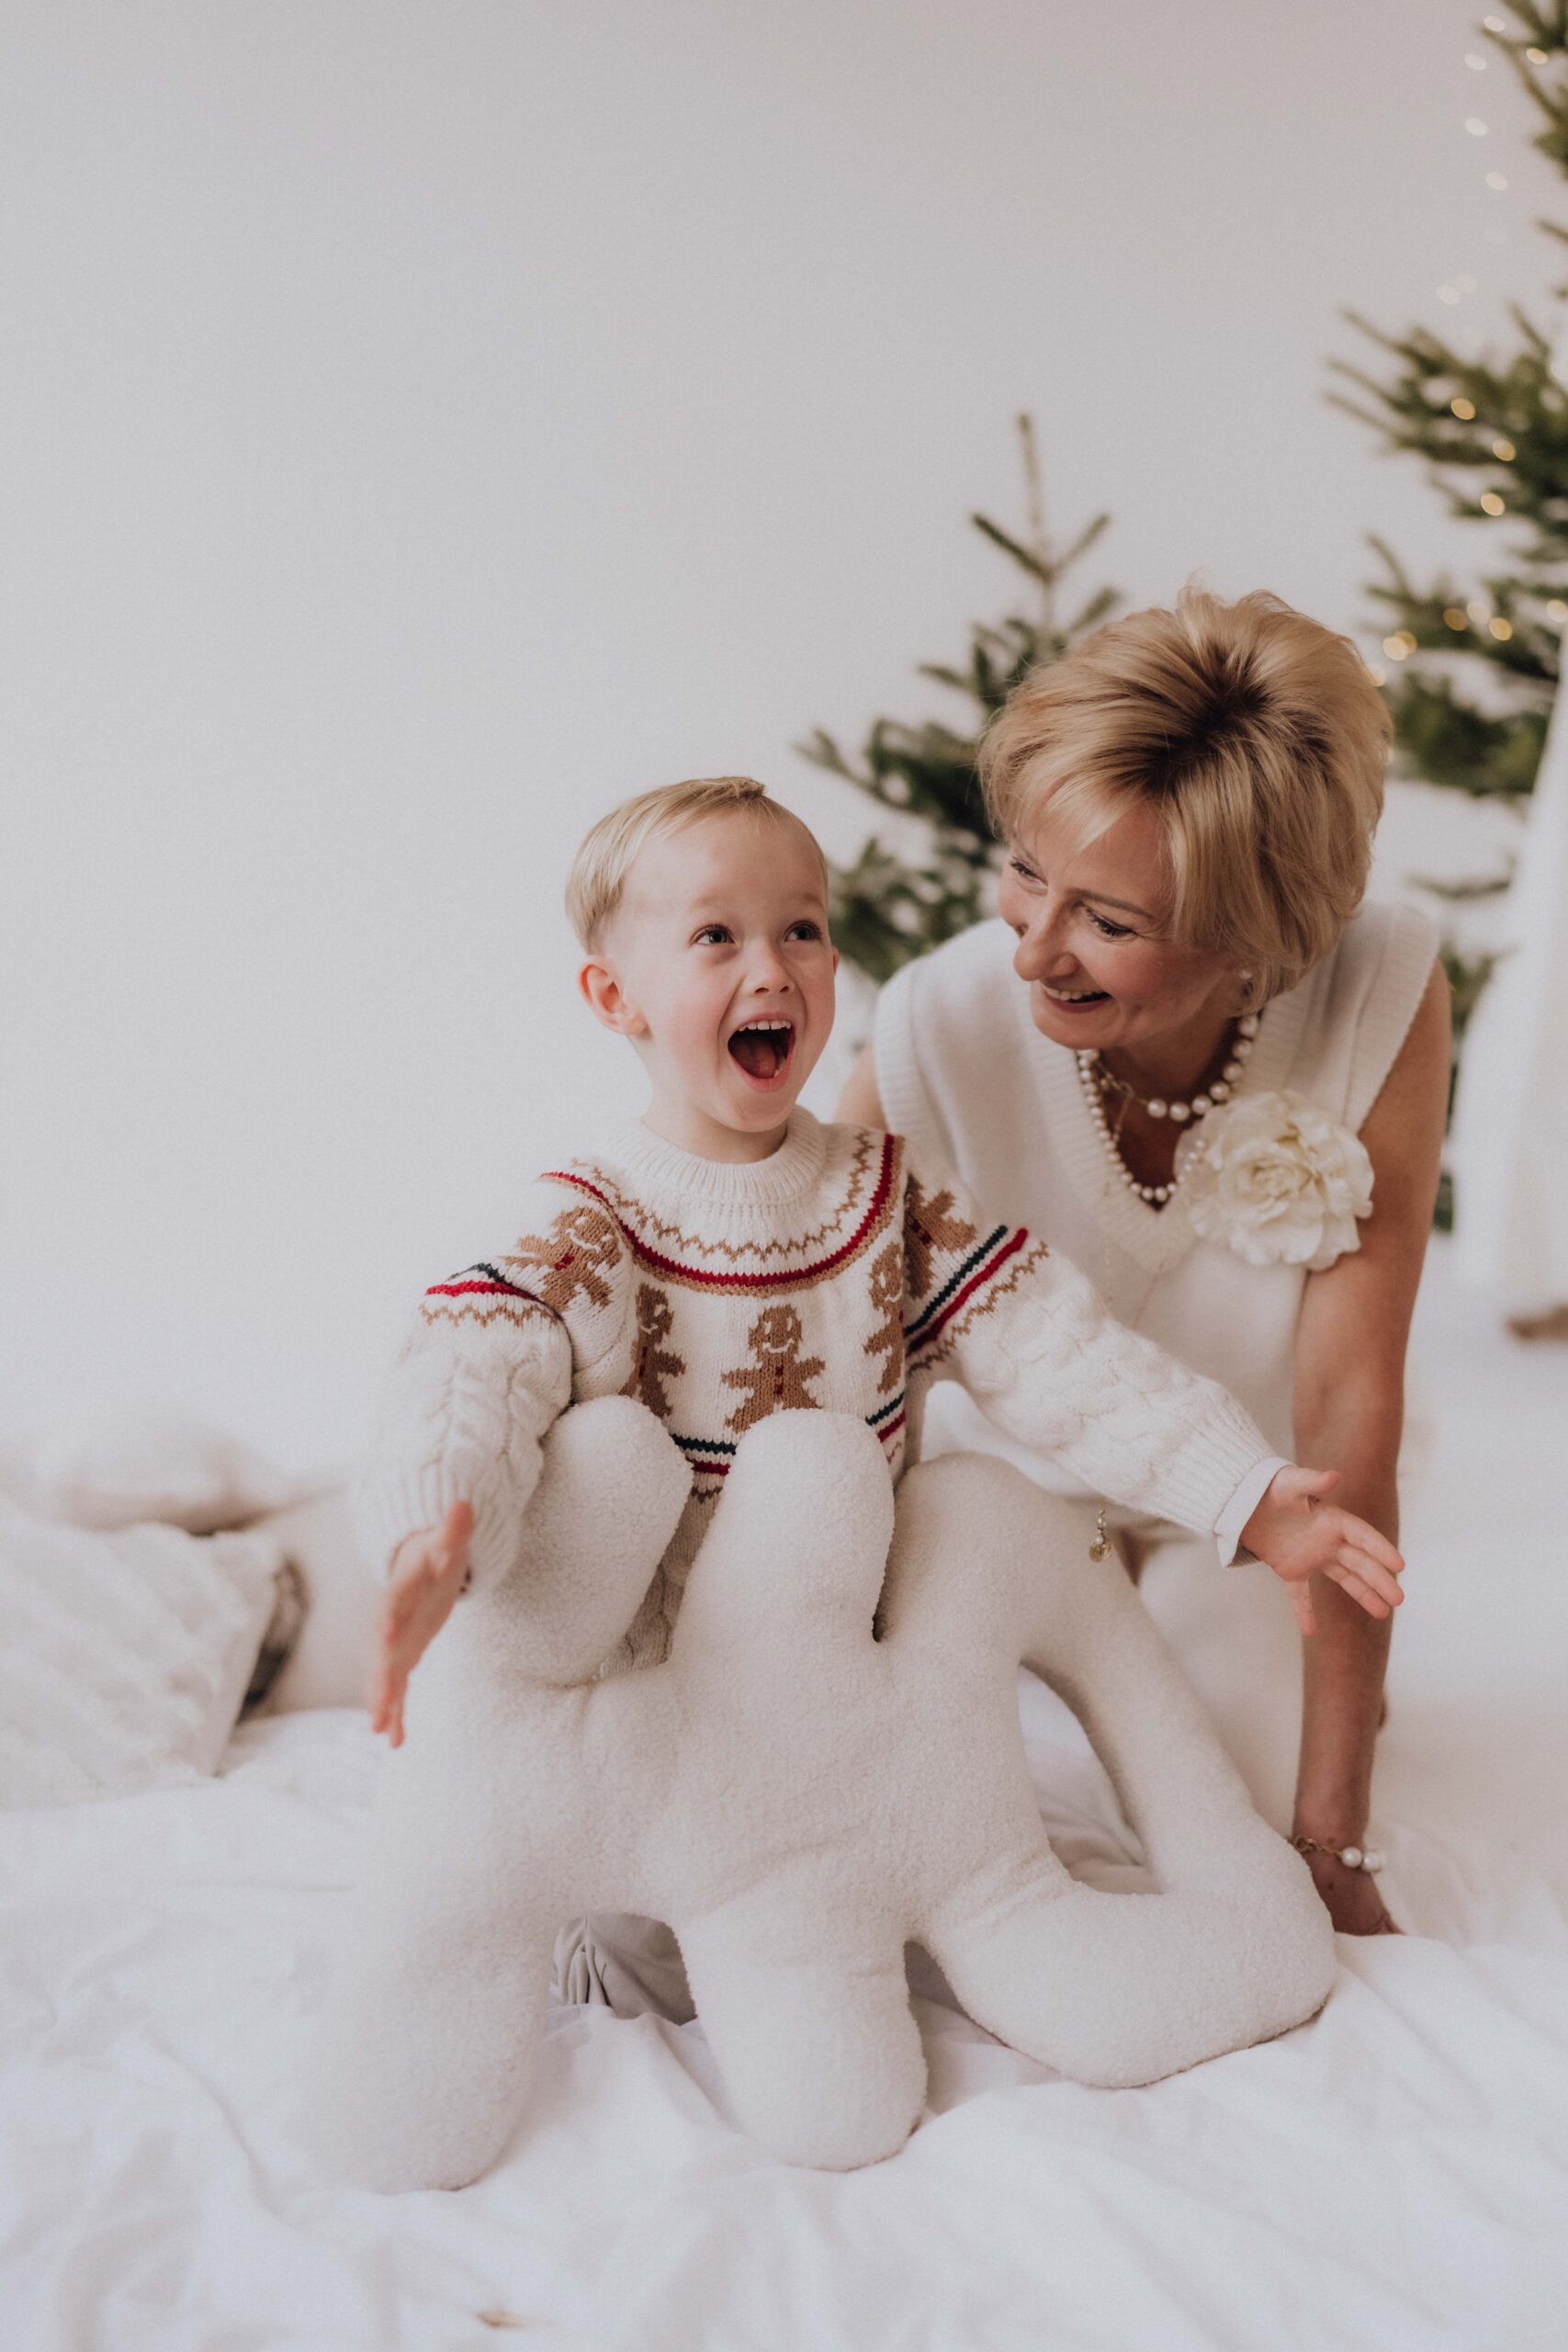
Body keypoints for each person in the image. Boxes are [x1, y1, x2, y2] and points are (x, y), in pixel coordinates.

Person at [355, 773, 1404, 2013]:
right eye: (716, 936)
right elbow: (469, 1367)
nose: (773, 968)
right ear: (613, 996)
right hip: (661, 1700)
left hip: (836, 1682)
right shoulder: (589, 1221)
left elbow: (1061, 1354)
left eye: (801, 928)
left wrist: (1246, 1492)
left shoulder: (887, 1200)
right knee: (660, 1939)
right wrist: (432, 1524)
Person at [837, 589, 1449, 1936]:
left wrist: (1336, 1835)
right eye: (1026, 872)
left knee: (1251, 1804)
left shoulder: (1381, 986)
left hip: (1263, 1513)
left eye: (1107, 921)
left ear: (1255, 944)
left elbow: (1350, 1412)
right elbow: (816, 1356)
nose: (1032, 947)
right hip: (1013, 1515)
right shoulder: (939, 1026)